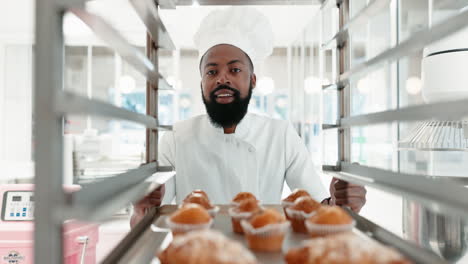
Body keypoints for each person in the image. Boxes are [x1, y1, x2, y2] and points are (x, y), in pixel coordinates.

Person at [130, 7, 366, 227]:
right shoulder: (176, 138)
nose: (222, 78)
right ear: (202, 82)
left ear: (252, 80)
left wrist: (342, 202)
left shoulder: (280, 135)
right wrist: (142, 203)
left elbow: (318, 209)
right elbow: (150, 215)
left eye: (235, 70)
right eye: (212, 71)